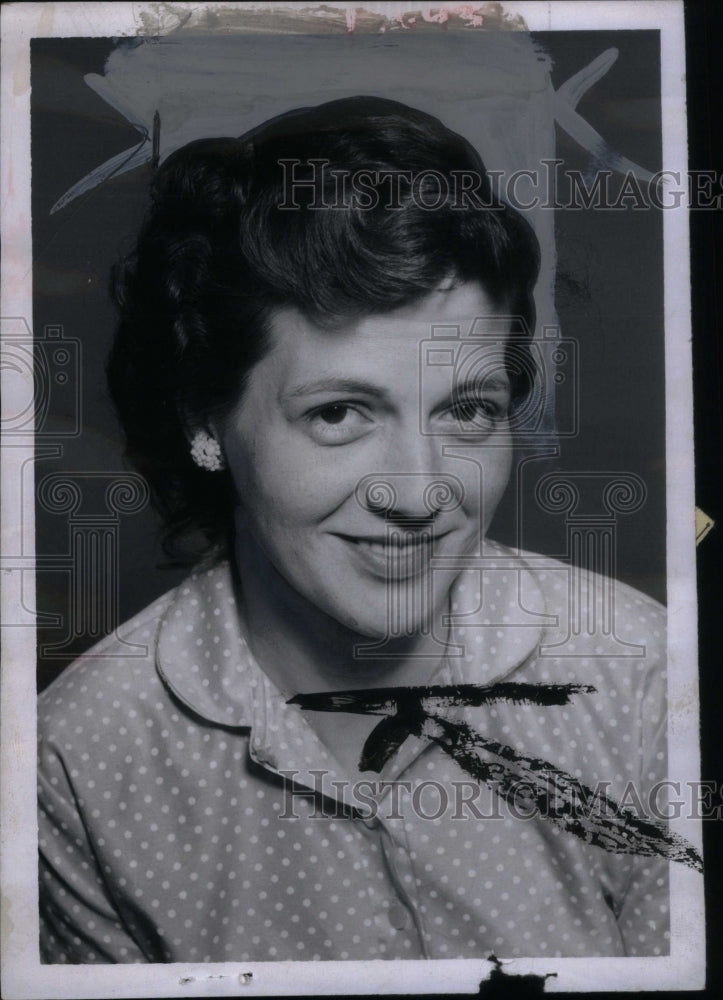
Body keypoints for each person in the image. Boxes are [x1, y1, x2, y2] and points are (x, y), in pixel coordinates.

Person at [38, 97, 671, 963]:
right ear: (205, 422)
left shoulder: (639, 677)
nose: (418, 491)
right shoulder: (76, 761)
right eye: (339, 413)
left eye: (468, 411)